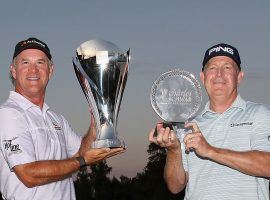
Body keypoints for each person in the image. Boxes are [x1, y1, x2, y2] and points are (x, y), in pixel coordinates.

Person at [0, 37, 125, 200]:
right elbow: (28, 175)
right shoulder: (7, 114)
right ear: (14, 71)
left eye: (40, 62)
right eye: (25, 63)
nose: (33, 70)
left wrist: (96, 123)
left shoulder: (56, 119)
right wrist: (83, 161)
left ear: (50, 71)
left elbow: (81, 152)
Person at [149, 43, 270, 199]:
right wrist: (173, 150)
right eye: (212, 68)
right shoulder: (187, 126)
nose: (219, 74)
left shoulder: (260, 113)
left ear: (239, 77)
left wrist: (210, 150)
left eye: (227, 67)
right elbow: (175, 186)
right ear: (203, 77)